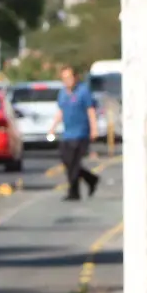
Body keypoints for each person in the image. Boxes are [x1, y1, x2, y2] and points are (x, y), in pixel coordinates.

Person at [48, 66, 100, 201]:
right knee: (68, 162)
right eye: (64, 78)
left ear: (75, 78)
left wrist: (94, 129)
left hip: (82, 133)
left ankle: (73, 192)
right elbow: (61, 112)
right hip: (67, 133)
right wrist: (53, 127)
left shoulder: (83, 91)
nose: (67, 81)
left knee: (74, 163)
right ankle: (91, 178)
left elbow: (90, 110)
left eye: (69, 77)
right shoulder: (63, 94)